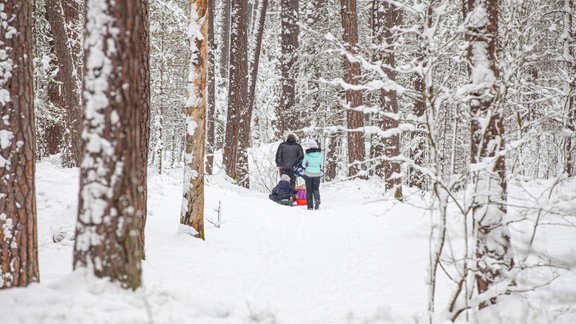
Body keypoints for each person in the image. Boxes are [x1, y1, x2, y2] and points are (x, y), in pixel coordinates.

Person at [302, 139, 323, 210]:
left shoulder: (307, 155)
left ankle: (310, 206)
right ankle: (317, 200)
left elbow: (304, 165)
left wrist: (307, 164)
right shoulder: (320, 155)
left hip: (308, 174)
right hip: (317, 174)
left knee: (309, 190)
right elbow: (321, 163)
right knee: (316, 189)